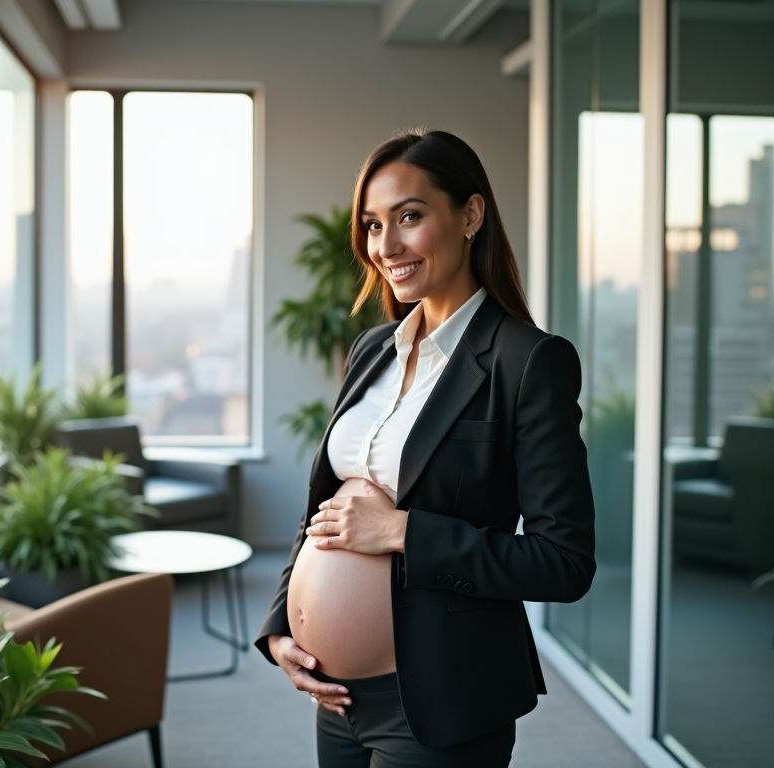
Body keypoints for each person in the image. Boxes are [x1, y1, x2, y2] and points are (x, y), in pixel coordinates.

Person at [255, 130, 596, 767]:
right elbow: (326, 512)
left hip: (439, 701)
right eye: (373, 225)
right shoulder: (372, 350)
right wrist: (281, 627)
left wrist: (406, 532)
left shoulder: (529, 362)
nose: (386, 246)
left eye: (410, 217)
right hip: (336, 700)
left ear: (470, 215)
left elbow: (564, 562)